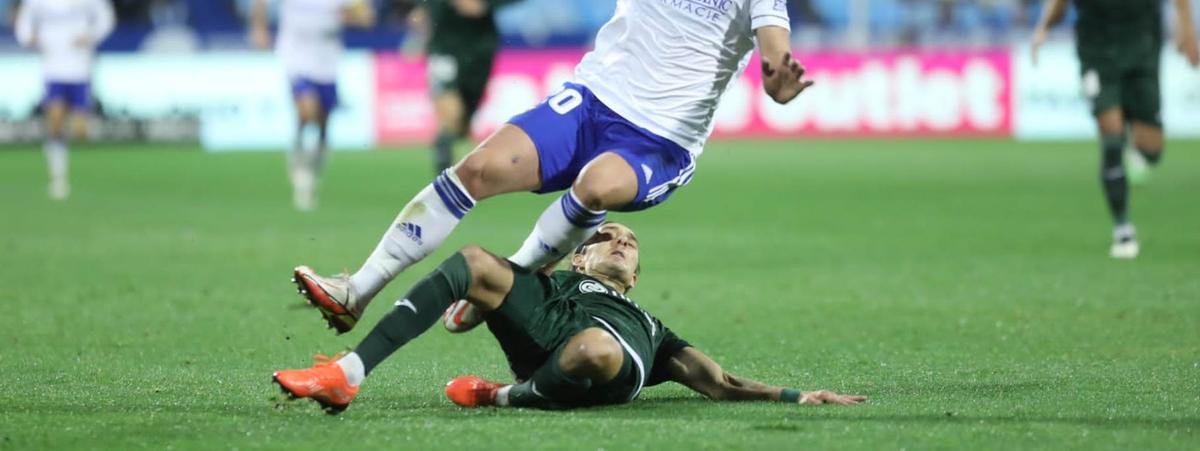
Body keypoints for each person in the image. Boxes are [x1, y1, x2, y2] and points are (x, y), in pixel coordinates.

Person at [291, 0, 811, 338]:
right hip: (590, 101)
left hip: (661, 140)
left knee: (593, 185)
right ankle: (357, 290)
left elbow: (774, 49)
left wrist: (778, 77)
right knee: (474, 170)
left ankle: (508, 281)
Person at [275, 223, 865, 412]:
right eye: (606, 235)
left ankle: (507, 396)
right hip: (549, 329)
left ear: (635, 277)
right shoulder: (553, 279)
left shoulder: (653, 328)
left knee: (593, 349)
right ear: (579, 253)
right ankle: (349, 372)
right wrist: (480, 302)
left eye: (630, 243)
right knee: (477, 260)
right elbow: (475, 306)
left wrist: (795, 397)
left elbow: (720, 383)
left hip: (605, 359)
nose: (619, 241)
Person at [1031, 0, 1199, 259]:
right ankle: (1123, 228)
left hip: (1141, 51)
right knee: (1110, 136)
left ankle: (1138, 157)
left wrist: (1186, 28)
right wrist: (1042, 28)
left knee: (1152, 147)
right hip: (1096, 54)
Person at [250, 0, 375, 210]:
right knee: (307, 109)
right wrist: (259, 28)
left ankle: (311, 167)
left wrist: (351, 15)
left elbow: (366, 16)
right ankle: (299, 168)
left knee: (322, 122)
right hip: (295, 59)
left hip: (327, 63)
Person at [414, 0, 525, 172]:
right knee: (449, 116)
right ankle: (441, 172)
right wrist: (419, 15)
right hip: (443, 47)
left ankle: (451, 147)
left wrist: (484, 4)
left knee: (463, 124)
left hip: (480, 48)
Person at [14, 0, 115, 199]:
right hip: (53, 67)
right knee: (55, 120)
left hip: (80, 68)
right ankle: (58, 178)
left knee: (80, 131)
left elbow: (106, 18)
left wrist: (90, 36)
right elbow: (24, 23)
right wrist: (28, 38)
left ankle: (82, 126)